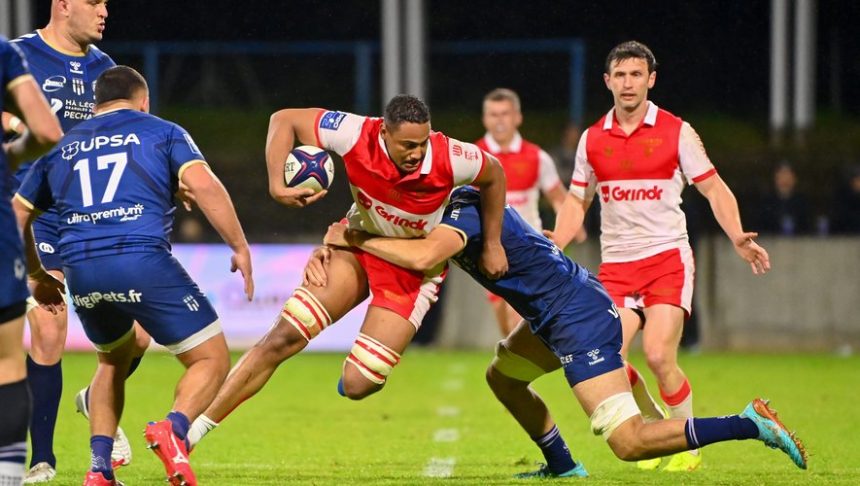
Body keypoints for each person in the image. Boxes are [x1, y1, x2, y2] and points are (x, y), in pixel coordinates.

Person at [320, 186, 806, 478]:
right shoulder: (454, 200)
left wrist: (355, 237)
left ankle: (750, 422)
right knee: (503, 377)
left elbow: (423, 257)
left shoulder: (459, 213)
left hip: (576, 319)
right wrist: (338, 238)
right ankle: (563, 466)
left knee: (629, 444)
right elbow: (396, 231)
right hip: (556, 311)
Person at [184, 95, 508, 449]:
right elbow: (285, 118)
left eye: (423, 143)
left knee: (358, 384)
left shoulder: (451, 156)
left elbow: (494, 174)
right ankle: (191, 431)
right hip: (355, 248)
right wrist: (277, 184)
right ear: (384, 132)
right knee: (282, 338)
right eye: (408, 145)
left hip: (411, 269)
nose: (417, 153)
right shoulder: (355, 133)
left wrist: (493, 243)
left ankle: (366, 365)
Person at [13, 66, 254, 486]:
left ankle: (99, 469)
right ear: (143, 101)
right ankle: (174, 428)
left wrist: (36, 272)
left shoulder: (61, 146)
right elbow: (205, 185)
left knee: (112, 359)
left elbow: (16, 213)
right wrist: (238, 245)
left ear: (95, 105)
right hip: (139, 260)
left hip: (81, 270)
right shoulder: (162, 131)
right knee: (211, 358)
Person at [548, 41, 771, 472]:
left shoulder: (676, 131)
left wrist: (737, 236)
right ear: (607, 81)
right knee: (611, 358)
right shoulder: (592, 139)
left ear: (651, 80)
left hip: (666, 259)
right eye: (620, 74)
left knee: (658, 356)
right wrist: (555, 241)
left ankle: (687, 441)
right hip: (615, 266)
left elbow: (713, 187)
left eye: (636, 74)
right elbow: (577, 200)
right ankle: (652, 423)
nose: (628, 82)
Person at [6, 2, 144, 481]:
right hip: (36, 210)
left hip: (91, 214)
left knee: (142, 332)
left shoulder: (105, 70)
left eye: (108, 3)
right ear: (63, 5)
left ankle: (93, 396)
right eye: (94, 1)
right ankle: (42, 459)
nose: (105, 11)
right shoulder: (17, 56)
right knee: (49, 324)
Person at [0, 34, 64, 486]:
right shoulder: (9, 53)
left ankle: (43, 458)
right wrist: (13, 154)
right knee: (7, 362)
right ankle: (11, 475)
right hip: (5, 218)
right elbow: (45, 132)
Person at [476, 88, 573, 335]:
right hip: (490, 251)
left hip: (529, 248)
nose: (499, 121)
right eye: (493, 114)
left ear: (517, 117)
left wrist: (566, 232)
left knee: (516, 318)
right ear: (484, 118)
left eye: (505, 114)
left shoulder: (536, 157)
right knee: (507, 332)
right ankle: (518, 368)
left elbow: (560, 199)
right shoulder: (472, 156)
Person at [756, 162, 812, 236]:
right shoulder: (767, 203)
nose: (785, 179)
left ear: (794, 179)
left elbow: (807, 230)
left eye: (788, 176)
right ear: (776, 178)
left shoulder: (802, 203)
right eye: (782, 175)